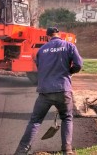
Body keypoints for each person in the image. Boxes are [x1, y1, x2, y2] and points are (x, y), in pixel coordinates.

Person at [15, 27, 83, 155]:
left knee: (35, 121)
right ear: (59, 35)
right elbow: (79, 64)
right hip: (63, 89)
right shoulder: (69, 46)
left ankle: (21, 151)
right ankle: (67, 150)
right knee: (67, 118)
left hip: (45, 92)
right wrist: (69, 72)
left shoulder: (41, 50)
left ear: (47, 37)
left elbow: (40, 67)